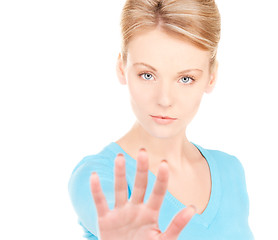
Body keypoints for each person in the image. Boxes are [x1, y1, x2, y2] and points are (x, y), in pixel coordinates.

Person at [68, 0, 254, 239]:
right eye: (147, 75)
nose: (165, 99)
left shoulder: (230, 171)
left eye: (186, 78)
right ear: (121, 67)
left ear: (211, 76)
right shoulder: (98, 176)